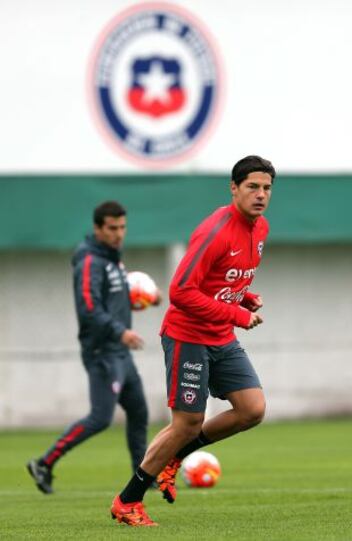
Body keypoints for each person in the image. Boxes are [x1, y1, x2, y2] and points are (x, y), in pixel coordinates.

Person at [109, 155, 276, 526]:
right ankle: (128, 501)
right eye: (252, 187)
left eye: (266, 188)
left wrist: (242, 296)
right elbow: (181, 291)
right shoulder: (216, 231)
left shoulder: (260, 228)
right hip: (188, 336)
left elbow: (221, 280)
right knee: (186, 422)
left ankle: (175, 457)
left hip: (220, 336)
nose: (260, 194)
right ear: (234, 188)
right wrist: (237, 314)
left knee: (252, 409)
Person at [27, 201, 160, 494]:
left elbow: (113, 302)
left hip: (120, 352)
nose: (119, 234)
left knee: (139, 413)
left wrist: (149, 299)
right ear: (98, 228)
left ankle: (142, 477)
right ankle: (45, 463)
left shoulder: (112, 259)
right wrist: (119, 331)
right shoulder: (89, 261)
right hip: (103, 353)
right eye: (112, 228)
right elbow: (89, 309)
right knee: (100, 418)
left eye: (123, 227)